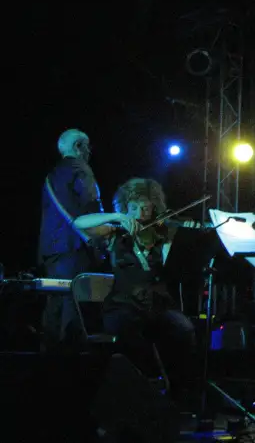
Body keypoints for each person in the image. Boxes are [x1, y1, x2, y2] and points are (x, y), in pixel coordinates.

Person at [73, 178, 197, 395]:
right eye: (133, 208)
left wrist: (183, 232)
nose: (140, 213)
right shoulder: (114, 234)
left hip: (158, 305)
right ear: (125, 208)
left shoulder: (162, 235)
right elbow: (78, 223)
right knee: (128, 331)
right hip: (123, 304)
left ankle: (177, 391)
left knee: (183, 329)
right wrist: (117, 217)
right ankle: (136, 388)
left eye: (146, 208)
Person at [38, 129, 111, 349]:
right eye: (87, 146)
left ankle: (47, 359)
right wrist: (105, 233)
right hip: (75, 247)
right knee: (74, 306)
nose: (89, 151)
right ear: (78, 147)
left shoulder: (52, 175)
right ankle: (71, 360)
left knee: (55, 305)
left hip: (52, 249)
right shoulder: (81, 168)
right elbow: (91, 208)